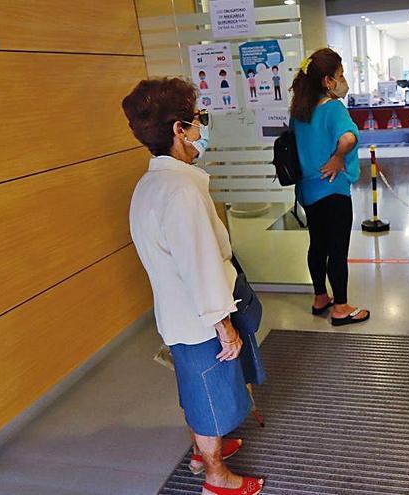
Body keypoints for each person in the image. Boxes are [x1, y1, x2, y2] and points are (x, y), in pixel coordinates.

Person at [122, 77, 266, 495]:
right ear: (178, 130)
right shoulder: (180, 191)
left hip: (180, 314)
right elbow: (200, 268)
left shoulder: (152, 184)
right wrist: (225, 328)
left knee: (197, 388)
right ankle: (216, 477)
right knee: (210, 399)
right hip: (201, 320)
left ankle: (205, 454)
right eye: (197, 119)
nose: (202, 127)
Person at [290, 48, 370, 327]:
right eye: (340, 75)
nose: (343, 81)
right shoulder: (333, 108)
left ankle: (320, 297)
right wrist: (338, 157)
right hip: (333, 189)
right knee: (337, 250)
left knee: (318, 245)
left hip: (309, 192)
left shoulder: (300, 111)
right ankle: (341, 308)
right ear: (327, 81)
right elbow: (348, 138)